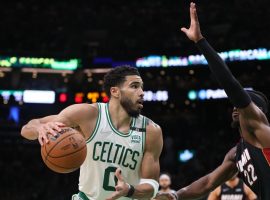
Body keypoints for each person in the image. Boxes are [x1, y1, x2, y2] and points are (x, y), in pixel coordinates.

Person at [156, 2, 270, 200]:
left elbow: (232, 85)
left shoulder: (262, 132)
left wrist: (200, 41)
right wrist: (175, 195)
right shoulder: (236, 153)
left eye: (242, 105)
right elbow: (207, 183)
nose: (236, 107)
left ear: (256, 112)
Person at [21, 66, 164, 200]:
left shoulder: (151, 131)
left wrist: (129, 190)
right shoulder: (87, 115)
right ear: (115, 91)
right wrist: (40, 129)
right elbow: (29, 127)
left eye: (141, 87)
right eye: (134, 86)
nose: (141, 92)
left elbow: (151, 186)